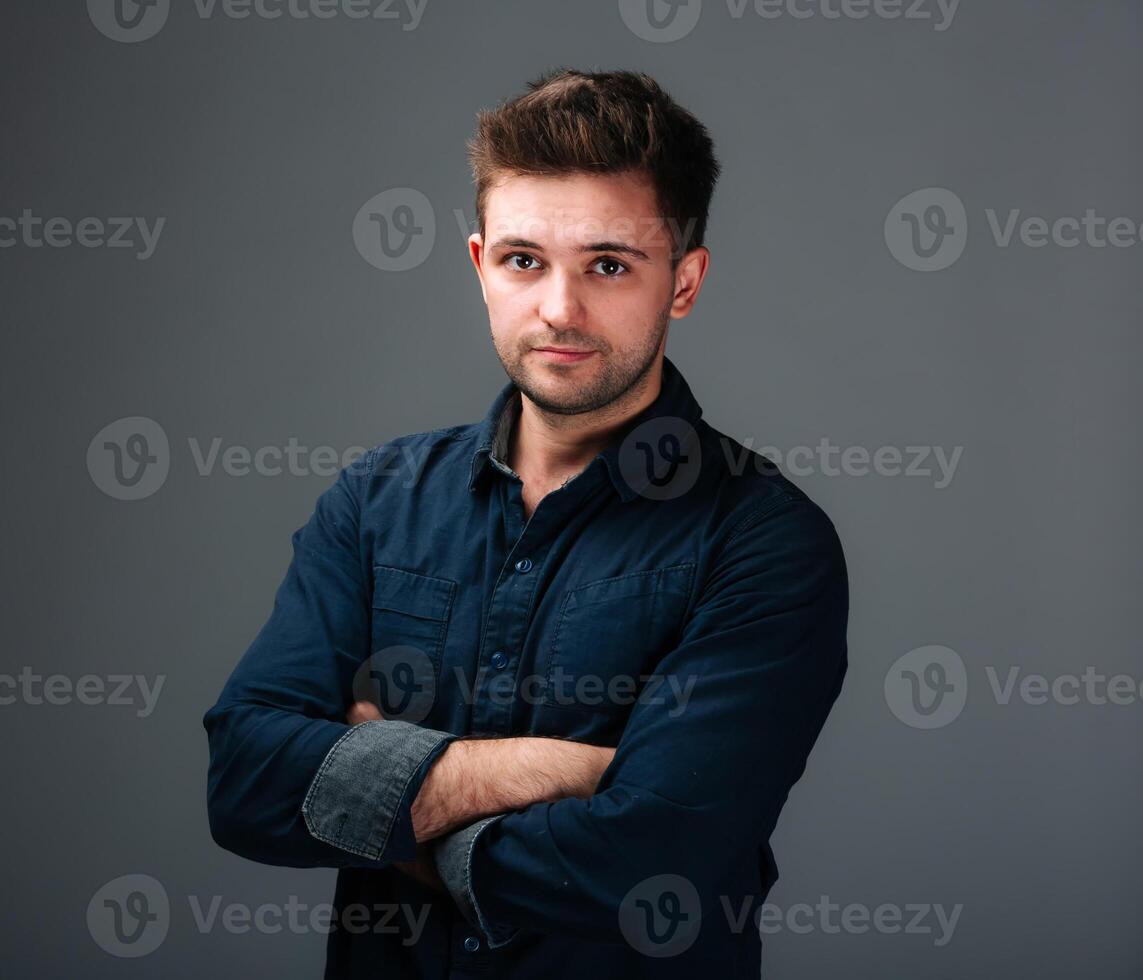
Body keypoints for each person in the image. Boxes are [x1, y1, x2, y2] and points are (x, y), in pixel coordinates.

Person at [204, 67, 849, 978]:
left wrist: (378, 794)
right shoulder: (377, 500)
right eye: (523, 261)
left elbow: (648, 868)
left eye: (608, 265)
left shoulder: (764, 541)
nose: (558, 308)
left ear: (684, 282)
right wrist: (542, 770)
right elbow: (243, 784)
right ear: (479, 266)